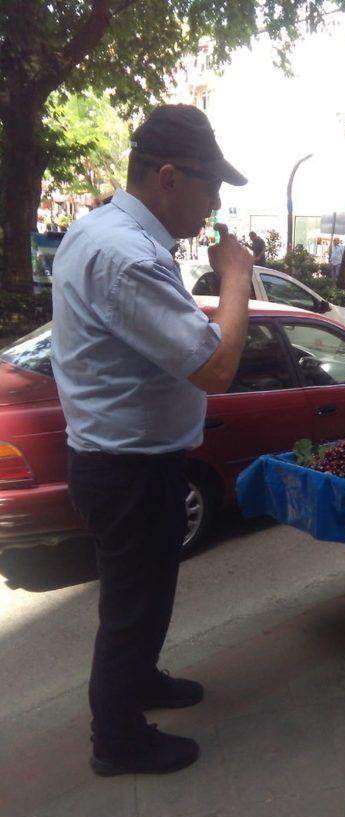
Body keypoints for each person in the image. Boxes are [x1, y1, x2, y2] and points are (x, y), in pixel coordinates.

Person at [51, 103, 252, 777]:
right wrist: (236, 277)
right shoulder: (125, 255)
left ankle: (140, 684)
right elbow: (217, 369)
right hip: (127, 468)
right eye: (210, 187)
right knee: (132, 606)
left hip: (139, 461)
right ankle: (118, 740)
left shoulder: (108, 235)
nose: (215, 203)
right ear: (168, 178)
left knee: (150, 591)